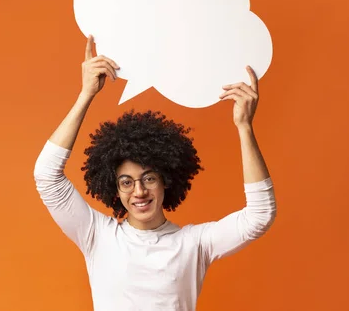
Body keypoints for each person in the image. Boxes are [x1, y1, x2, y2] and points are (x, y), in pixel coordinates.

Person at [34, 36, 277, 310]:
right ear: (114, 189)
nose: (139, 191)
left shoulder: (193, 244)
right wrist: (86, 94)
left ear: (166, 181)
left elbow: (260, 215)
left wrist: (244, 127)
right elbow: (46, 175)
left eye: (149, 178)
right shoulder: (96, 235)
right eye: (126, 182)